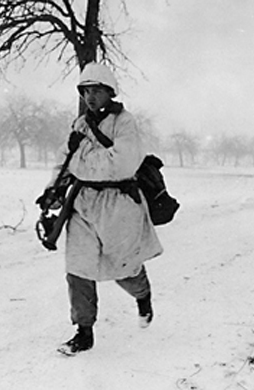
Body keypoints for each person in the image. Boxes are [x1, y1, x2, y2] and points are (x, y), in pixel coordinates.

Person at [36, 62, 163, 356]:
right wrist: (52, 190)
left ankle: (143, 296)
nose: (90, 97)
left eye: (96, 91)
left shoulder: (125, 122)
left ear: (109, 92)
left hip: (118, 204)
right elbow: (65, 161)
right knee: (78, 268)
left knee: (123, 268)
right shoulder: (80, 126)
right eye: (86, 91)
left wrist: (82, 164)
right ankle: (84, 332)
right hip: (82, 204)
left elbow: (122, 163)